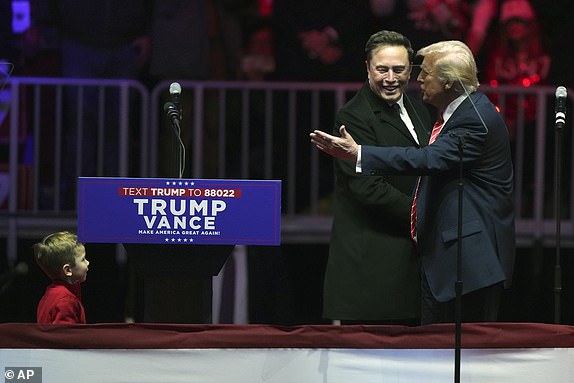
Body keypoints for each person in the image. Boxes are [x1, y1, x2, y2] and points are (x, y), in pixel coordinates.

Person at [311, 40, 515, 324]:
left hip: (470, 264)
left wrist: (360, 153)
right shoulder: (460, 111)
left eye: (425, 73)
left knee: (462, 358)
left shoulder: (474, 121)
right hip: (448, 260)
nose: (417, 79)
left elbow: (429, 159)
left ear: (447, 82)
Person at [323, 30, 432, 325]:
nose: (390, 78)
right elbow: (367, 187)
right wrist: (421, 215)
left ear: (410, 69)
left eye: (399, 69)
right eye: (382, 69)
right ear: (367, 68)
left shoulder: (417, 106)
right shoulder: (353, 116)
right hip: (372, 269)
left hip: (407, 261)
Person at [34, 231, 90, 324]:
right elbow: (65, 337)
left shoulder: (51, 294)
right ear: (68, 270)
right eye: (83, 259)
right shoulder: (65, 300)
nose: (88, 262)